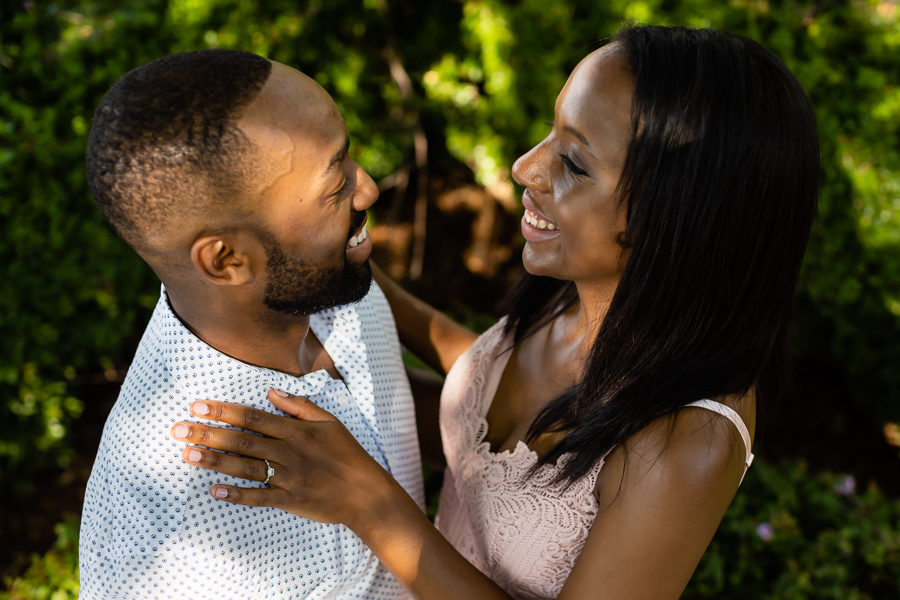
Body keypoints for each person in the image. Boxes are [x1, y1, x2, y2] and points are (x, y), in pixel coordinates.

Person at [175, 25, 820, 600]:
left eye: (572, 162)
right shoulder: (580, 290)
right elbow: (486, 394)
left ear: (675, 222)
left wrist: (370, 504)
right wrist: (350, 277)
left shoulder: (686, 443)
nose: (523, 167)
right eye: (553, 132)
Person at [78, 49, 426, 599]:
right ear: (226, 260)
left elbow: (387, 406)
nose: (368, 190)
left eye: (347, 156)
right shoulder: (172, 525)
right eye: (335, 187)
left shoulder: (328, 274)